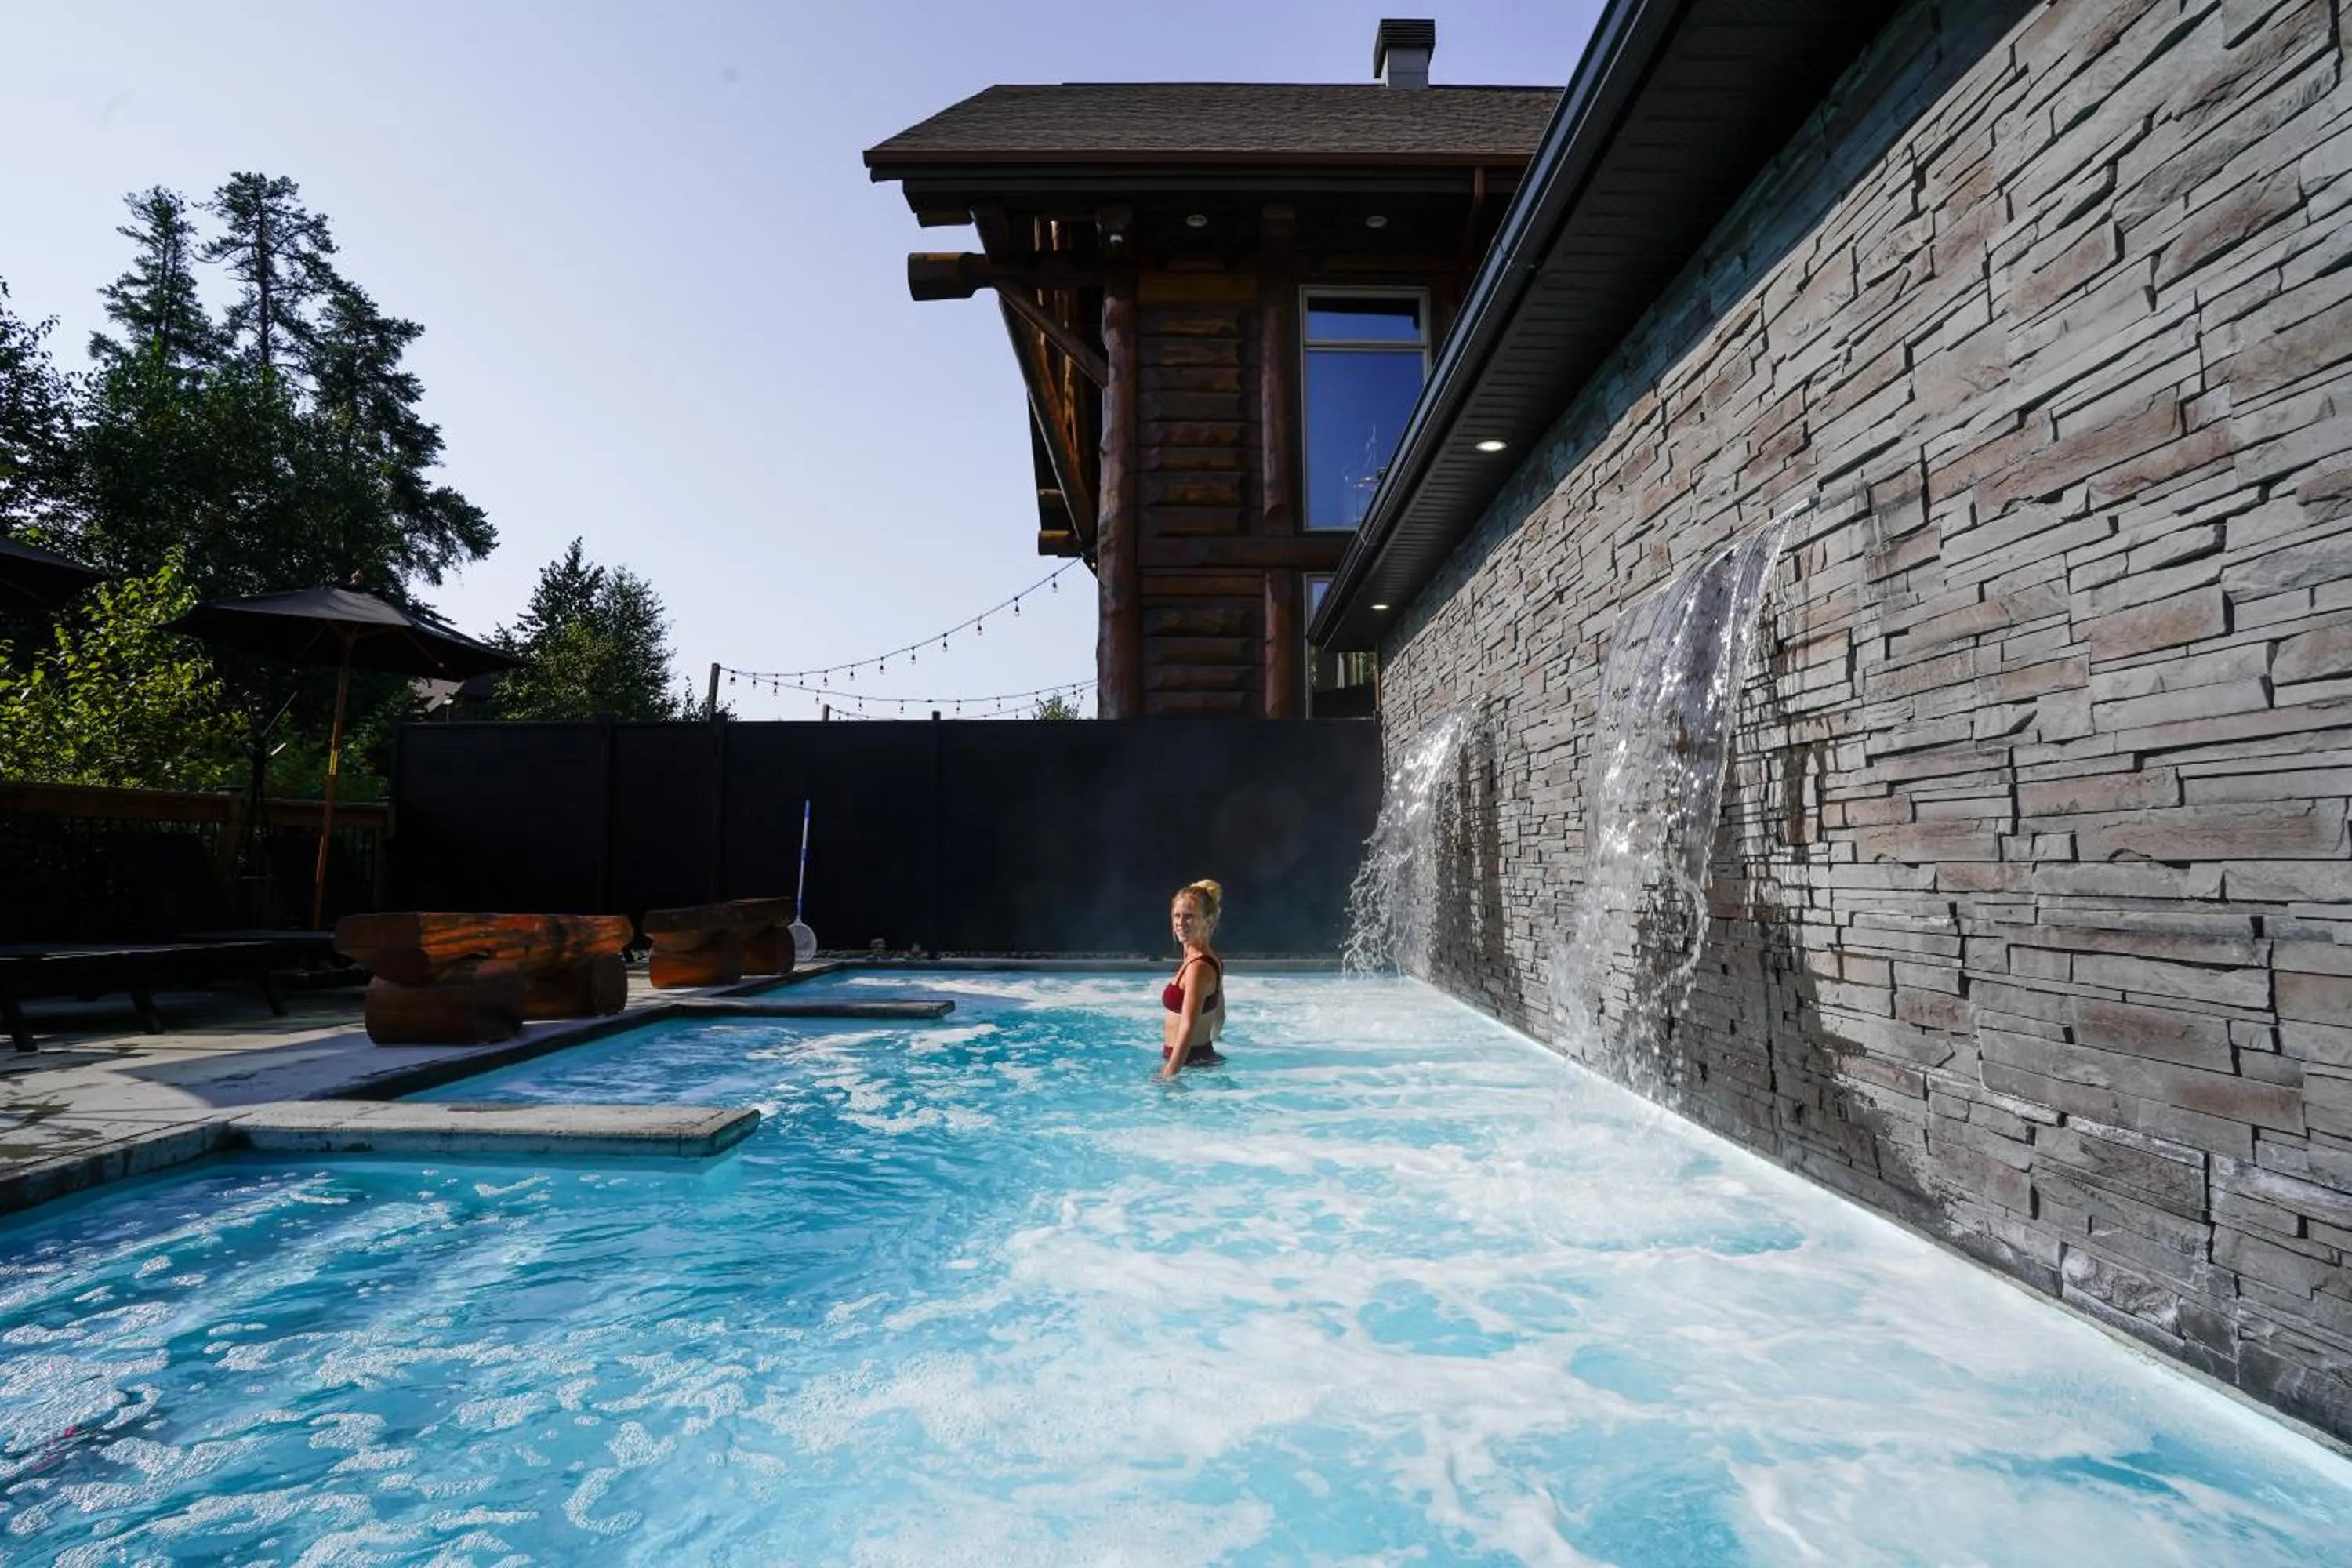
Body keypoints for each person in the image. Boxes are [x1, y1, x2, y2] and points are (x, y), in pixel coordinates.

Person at [1160, 878, 1226, 1078]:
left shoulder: (1198, 967)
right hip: (1197, 1061)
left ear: (1208, 921)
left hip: (1190, 1066)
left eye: (1189, 917)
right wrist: (1212, 1040)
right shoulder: (1207, 959)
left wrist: (1169, 1074)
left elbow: (1188, 1025)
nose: (1180, 923)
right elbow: (1220, 1016)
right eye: (1177, 915)